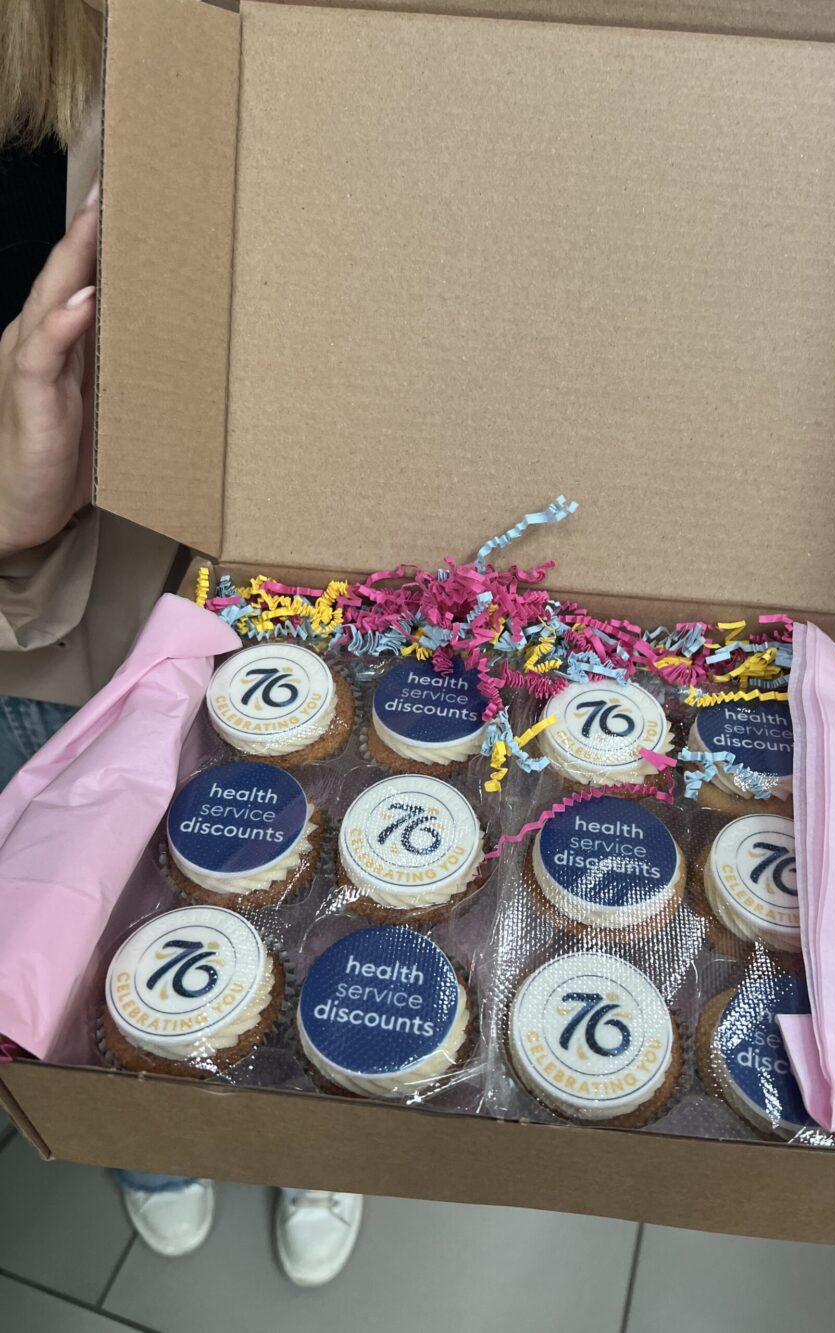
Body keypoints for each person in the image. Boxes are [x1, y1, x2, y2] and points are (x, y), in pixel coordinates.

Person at [0, 0, 363, 1283]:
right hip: (62, 629)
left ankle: (335, 1102)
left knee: (349, 899)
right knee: (111, 951)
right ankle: (155, 1142)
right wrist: (14, 510)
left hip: (351, 595)